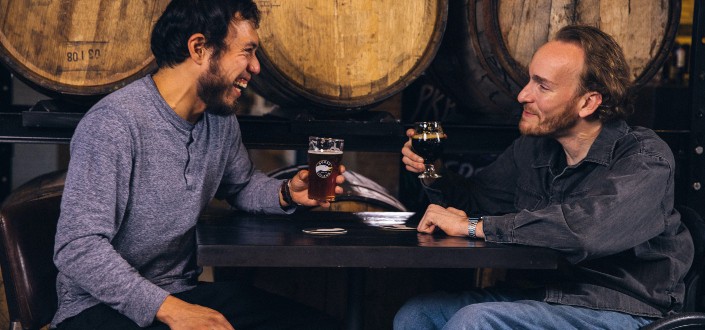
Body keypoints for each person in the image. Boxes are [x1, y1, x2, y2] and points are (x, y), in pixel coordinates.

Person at [51, 1, 343, 329]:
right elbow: (77, 248)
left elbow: (242, 185)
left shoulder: (217, 119)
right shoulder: (115, 123)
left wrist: (287, 194)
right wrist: (172, 310)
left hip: (179, 292)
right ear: (199, 48)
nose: (256, 67)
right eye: (247, 51)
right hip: (98, 307)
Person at [396, 25, 694, 329]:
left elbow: (583, 231)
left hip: (619, 309)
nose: (523, 94)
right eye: (529, 80)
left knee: (476, 320)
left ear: (588, 102)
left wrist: (472, 227)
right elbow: (476, 200)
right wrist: (432, 172)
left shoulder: (645, 158)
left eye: (543, 86)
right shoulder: (534, 149)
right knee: (417, 313)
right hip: (542, 295)